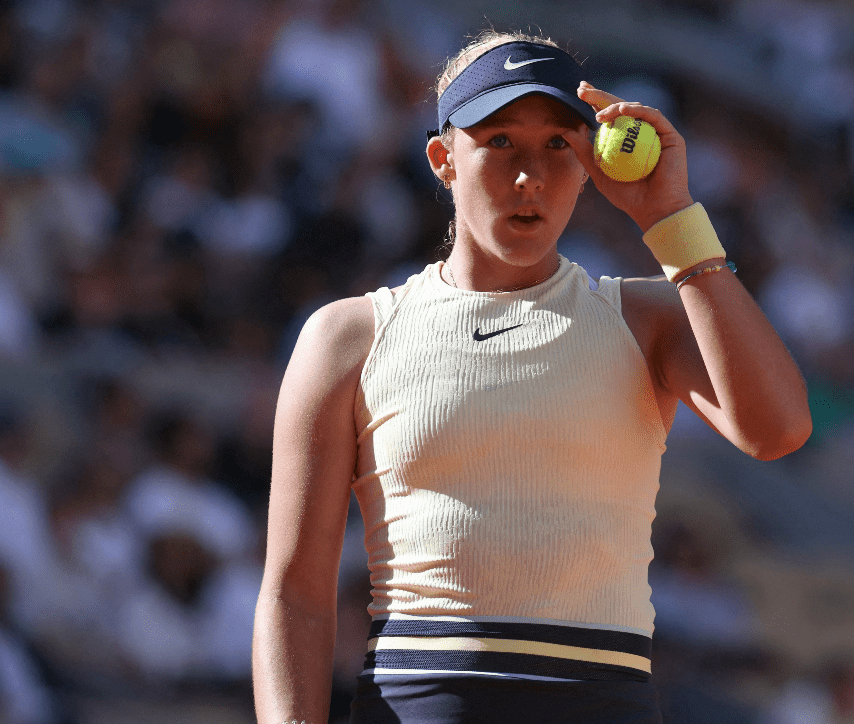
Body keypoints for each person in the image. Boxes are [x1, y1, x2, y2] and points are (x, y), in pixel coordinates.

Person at [252, 31, 811, 724]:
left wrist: (671, 219)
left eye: (559, 146)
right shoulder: (348, 336)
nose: (531, 176)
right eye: (500, 142)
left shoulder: (648, 317)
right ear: (442, 159)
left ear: (590, 164)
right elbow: (295, 594)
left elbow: (779, 429)